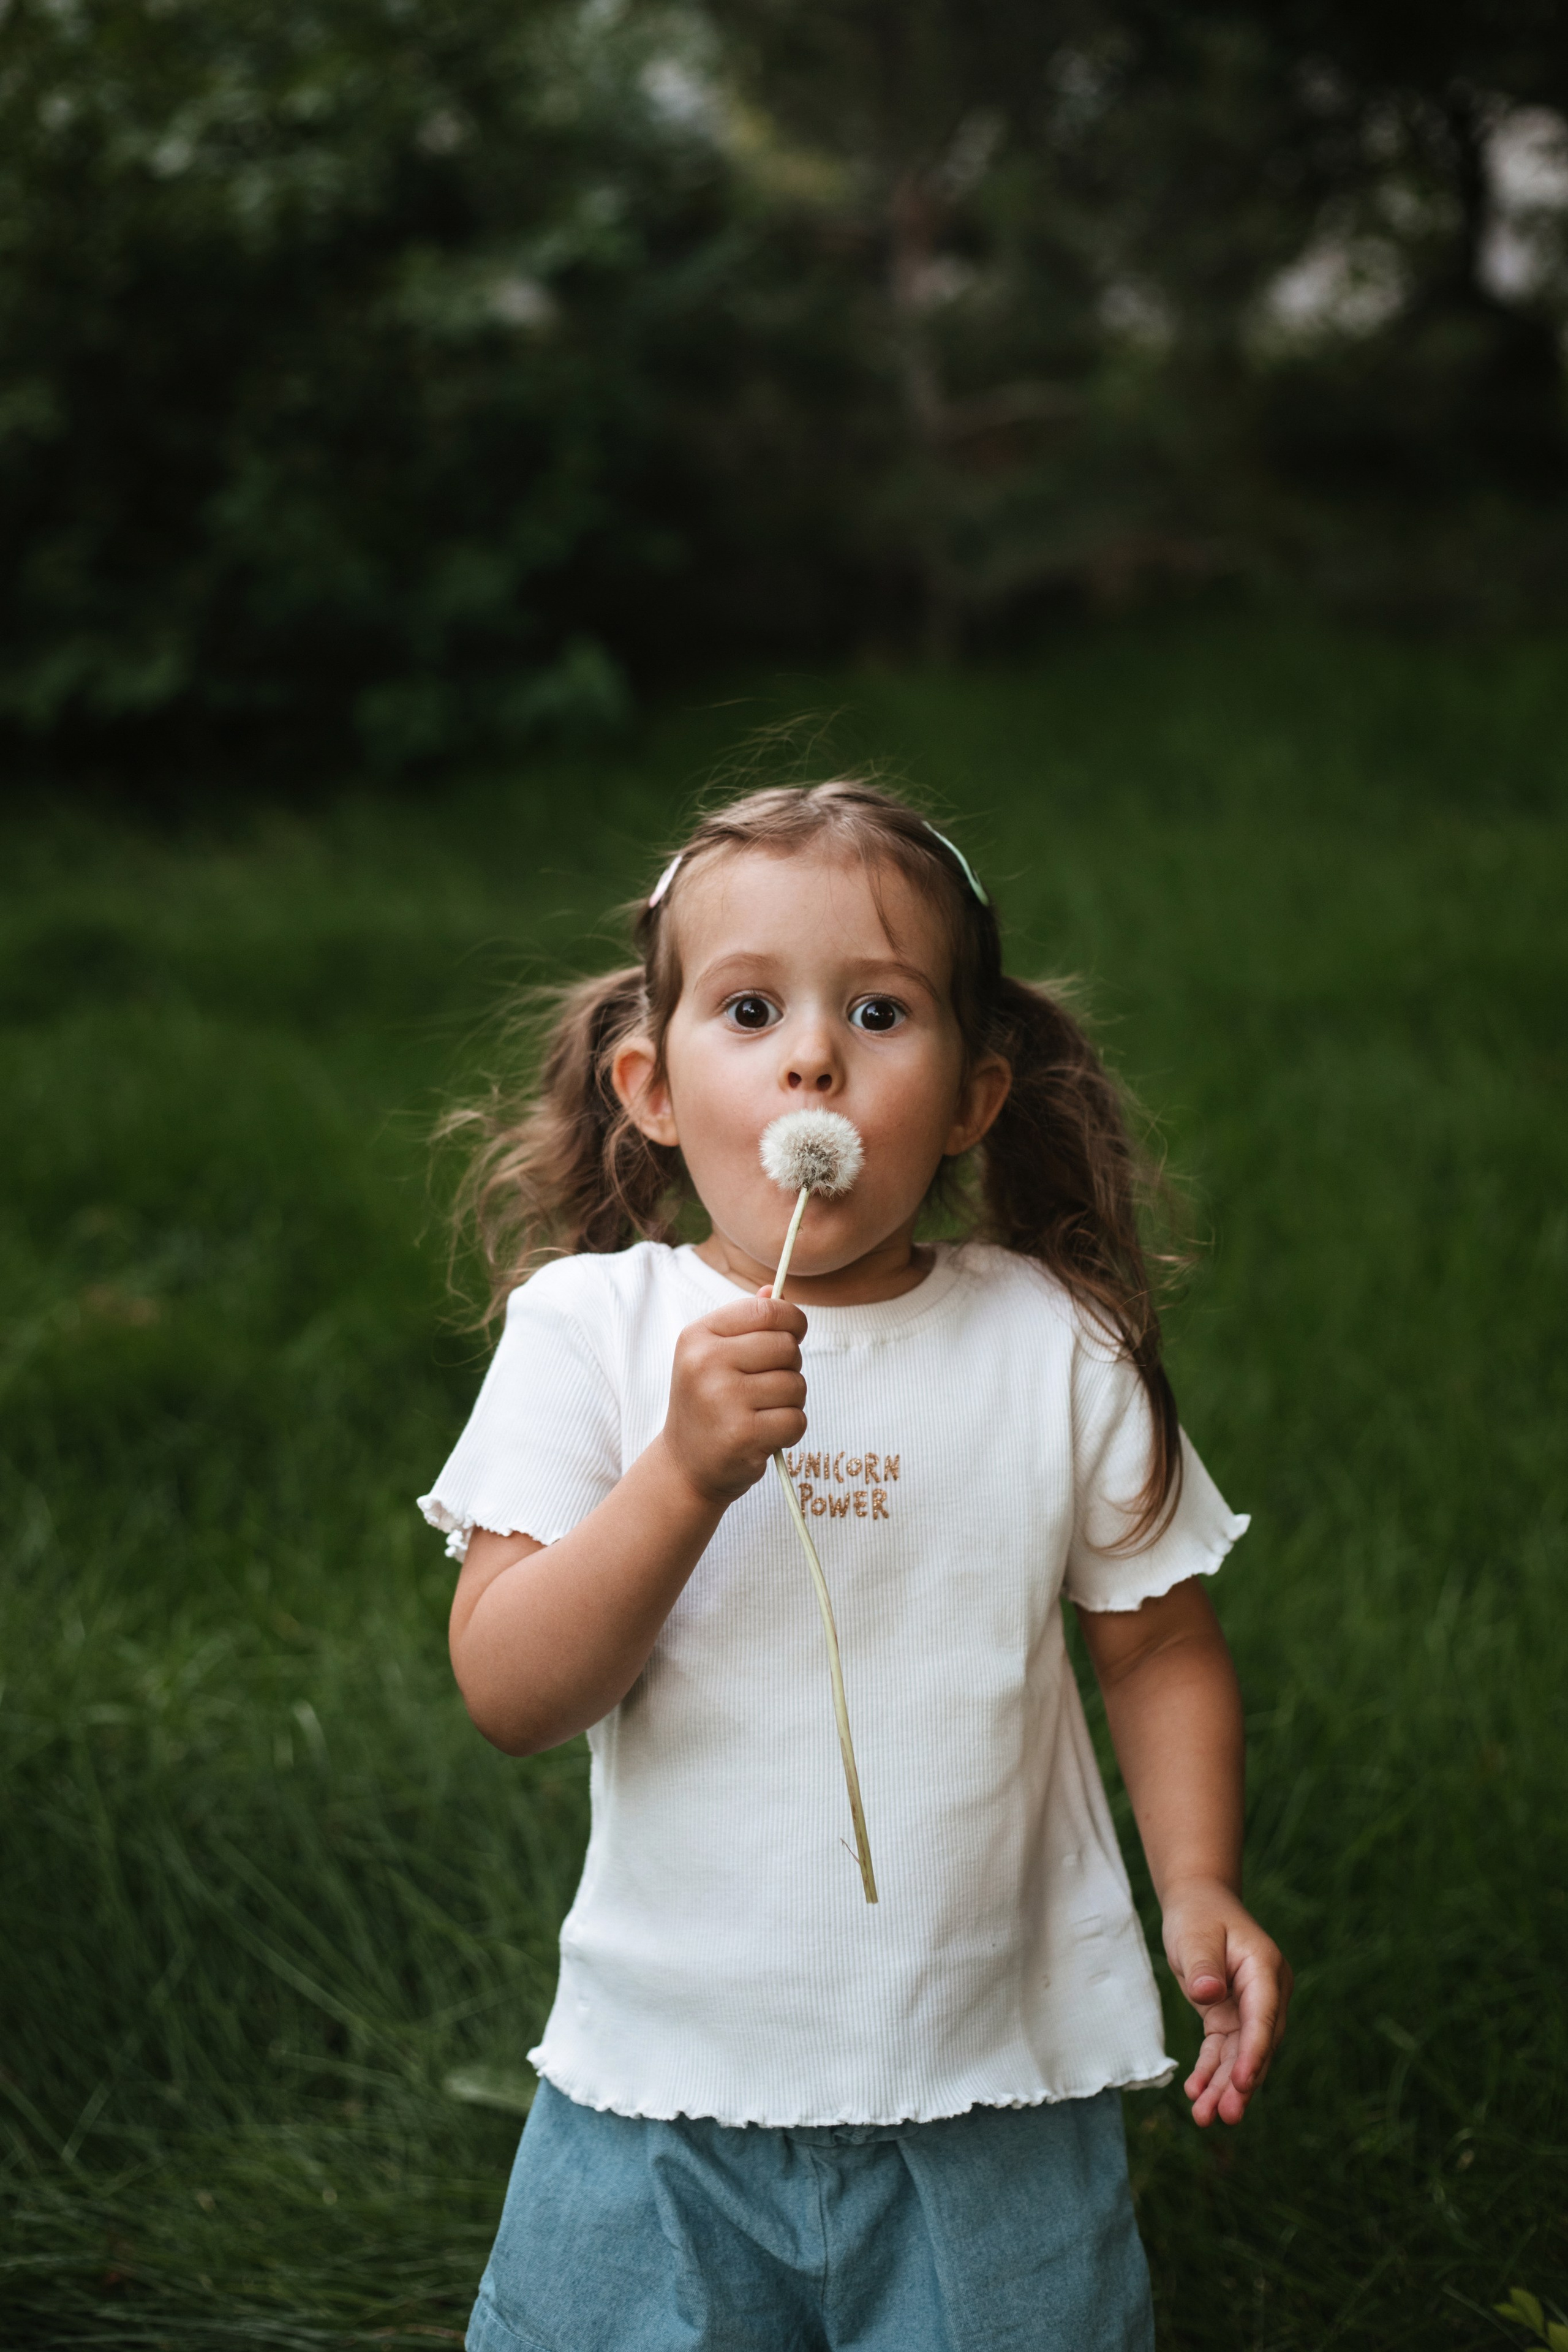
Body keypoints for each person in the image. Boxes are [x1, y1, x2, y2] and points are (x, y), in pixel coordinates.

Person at [419, 779, 1292, 2352]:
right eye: (749, 1010)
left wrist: (1198, 1879)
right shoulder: (593, 1336)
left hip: (987, 2086)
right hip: (659, 2099)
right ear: (652, 1088)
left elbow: (1156, 1648)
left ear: (971, 1098)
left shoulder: (1049, 1344)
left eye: (878, 1012)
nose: (813, 1054)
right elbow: (509, 1687)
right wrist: (679, 1478)